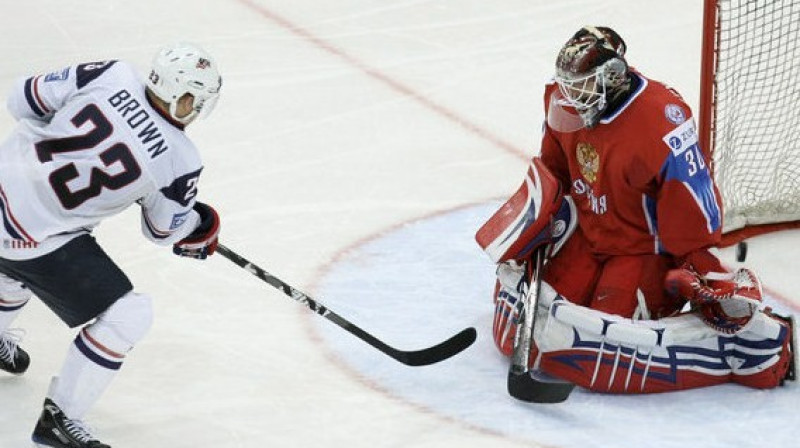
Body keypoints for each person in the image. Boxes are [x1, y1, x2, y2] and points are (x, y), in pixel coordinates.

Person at [478, 26, 794, 394]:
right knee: (539, 319)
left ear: (612, 78)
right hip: (589, 234)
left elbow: (692, 204)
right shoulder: (563, 100)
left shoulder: (662, 120)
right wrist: (543, 222)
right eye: (567, 84)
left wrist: (695, 261)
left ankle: (754, 341)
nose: (569, 95)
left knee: (602, 338)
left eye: (581, 85)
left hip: (641, 249)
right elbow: (555, 172)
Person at [0, 42, 222, 447]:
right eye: (195, 100)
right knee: (129, 314)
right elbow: (163, 231)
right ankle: (60, 418)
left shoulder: (112, 73)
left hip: (3, 187)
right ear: (181, 96)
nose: (196, 109)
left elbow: (21, 98)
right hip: (34, 237)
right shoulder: (180, 157)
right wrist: (201, 225)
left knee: (13, 265)